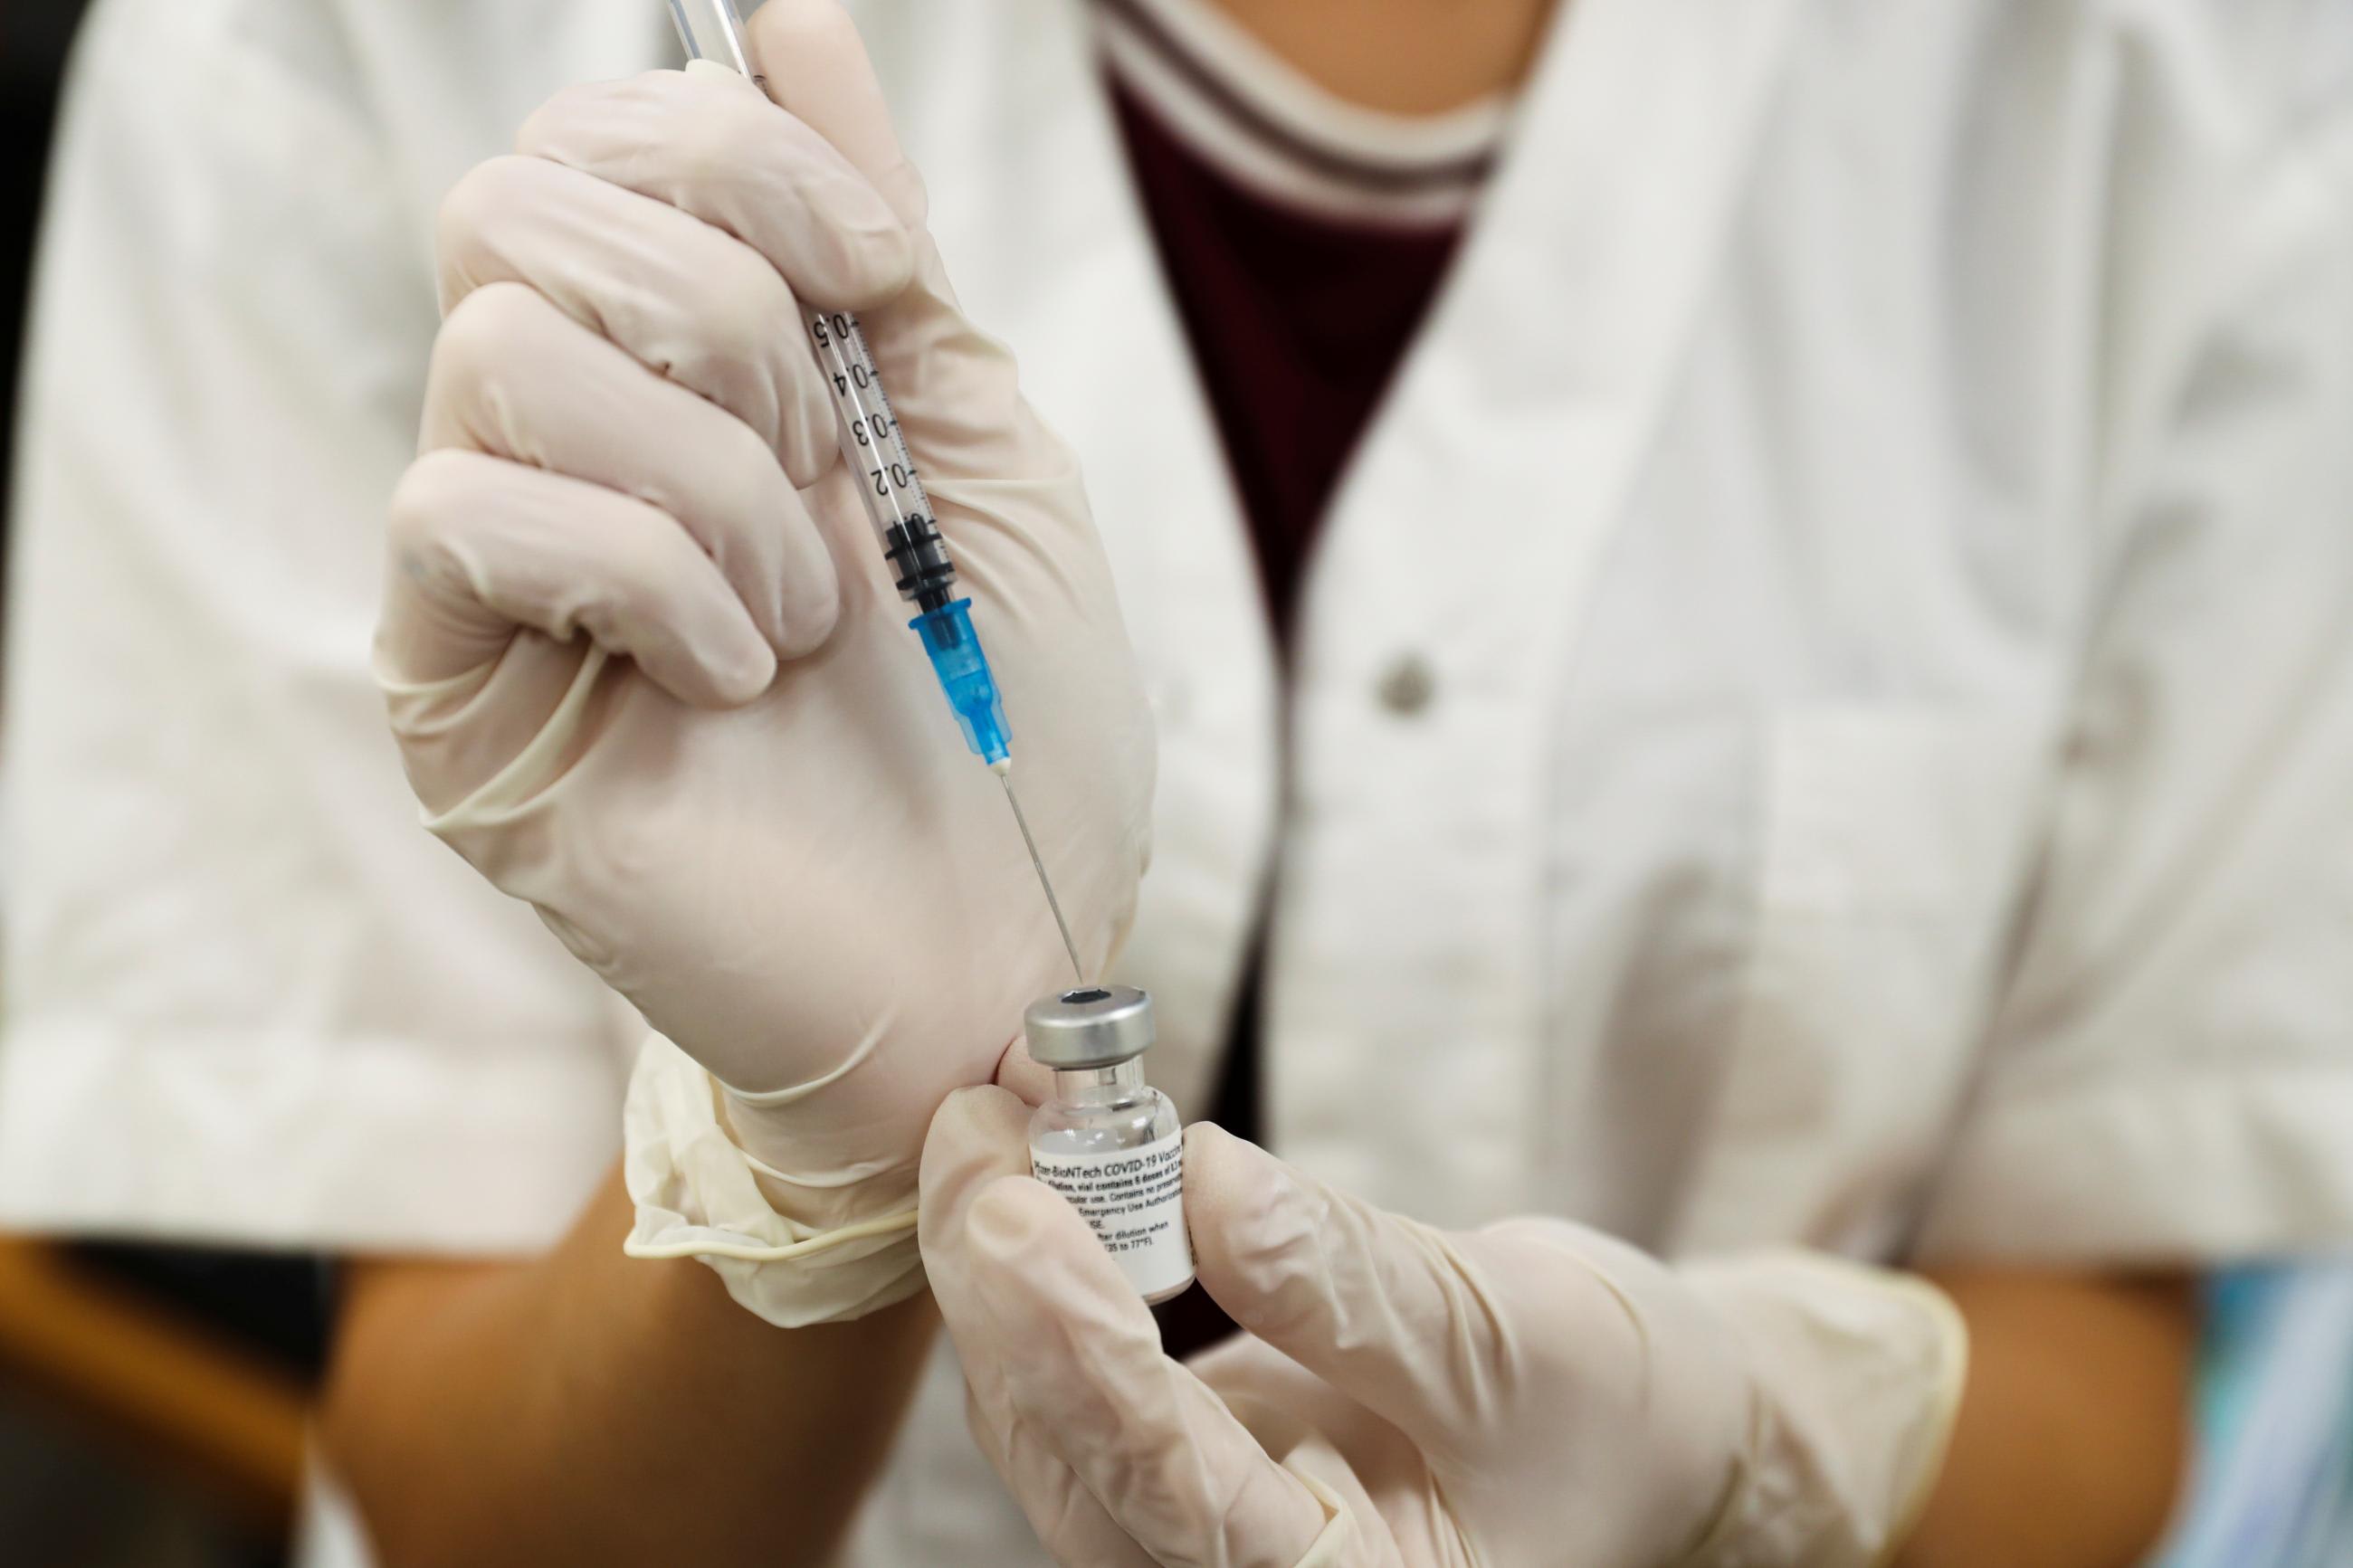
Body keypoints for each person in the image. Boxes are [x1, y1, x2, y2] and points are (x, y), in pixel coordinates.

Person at [4, 0, 2348, 1562]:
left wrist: (1771, 1438)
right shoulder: (337, 45)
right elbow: (456, 1489)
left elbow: (2098, 1341)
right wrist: (814, 1180)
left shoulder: (2211, 82)